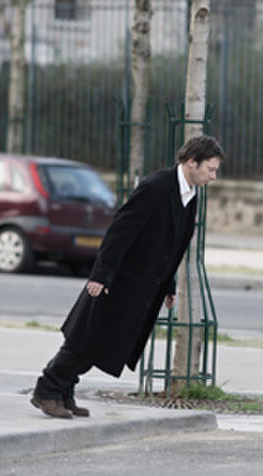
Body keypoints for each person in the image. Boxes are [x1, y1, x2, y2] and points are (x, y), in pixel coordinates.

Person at [30, 135, 226, 418]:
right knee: (87, 338)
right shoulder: (156, 187)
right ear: (192, 162)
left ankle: (63, 391)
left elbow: (174, 246)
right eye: (211, 169)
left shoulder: (190, 194)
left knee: (99, 342)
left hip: (144, 285)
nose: (214, 176)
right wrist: (101, 275)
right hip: (120, 280)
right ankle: (47, 390)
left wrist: (169, 285)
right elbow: (119, 231)